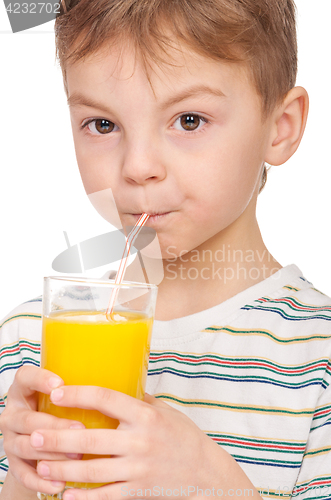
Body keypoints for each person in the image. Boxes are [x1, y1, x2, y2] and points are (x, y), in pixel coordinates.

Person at [0, 0, 330, 498]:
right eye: (103, 125)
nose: (137, 166)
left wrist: (216, 487)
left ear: (280, 127)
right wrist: (28, 481)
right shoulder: (27, 347)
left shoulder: (316, 361)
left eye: (190, 120)